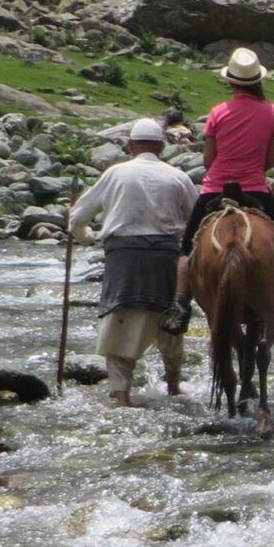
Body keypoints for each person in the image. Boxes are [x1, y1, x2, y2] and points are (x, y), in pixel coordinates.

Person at [164, 47, 274, 331]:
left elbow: (209, 160)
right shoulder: (272, 112)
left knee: (187, 246)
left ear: (231, 81)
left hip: (215, 189)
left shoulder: (218, 112)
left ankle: (180, 305)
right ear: (257, 80)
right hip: (256, 189)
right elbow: (270, 161)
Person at [67, 117, 196, 406]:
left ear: (130, 146)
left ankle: (123, 396)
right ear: (162, 147)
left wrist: (86, 238)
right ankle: (173, 386)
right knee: (172, 317)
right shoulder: (177, 176)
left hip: (123, 257)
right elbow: (197, 218)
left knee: (118, 318)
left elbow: (76, 217)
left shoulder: (115, 174)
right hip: (166, 256)